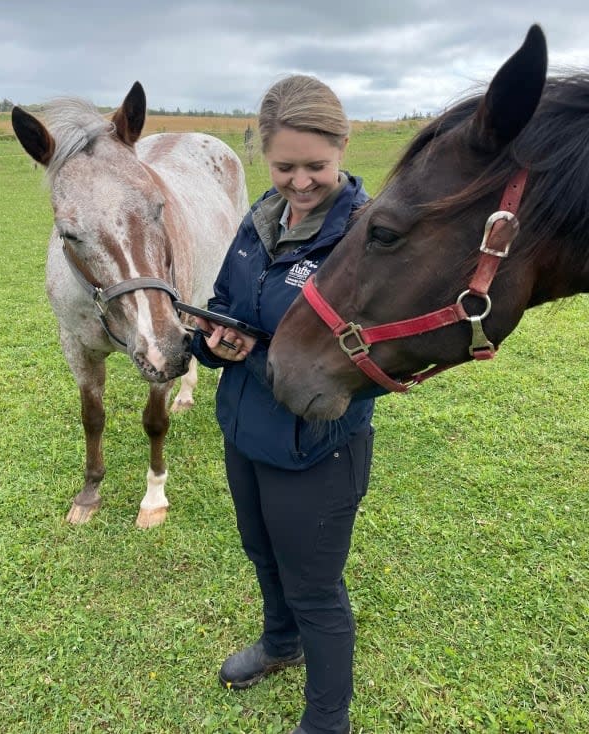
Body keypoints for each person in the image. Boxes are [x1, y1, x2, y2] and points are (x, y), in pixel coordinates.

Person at [190, 74, 375, 734]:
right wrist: (212, 340)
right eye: (285, 166)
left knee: (316, 590)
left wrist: (261, 354)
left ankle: (329, 721)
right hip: (245, 430)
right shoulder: (259, 218)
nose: (299, 183)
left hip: (317, 448)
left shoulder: (369, 240)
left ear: (344, 147)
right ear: (264, 157)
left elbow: (374, 364)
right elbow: (222, 306)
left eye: (316, 166)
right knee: (262, 552)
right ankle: (280, 643)